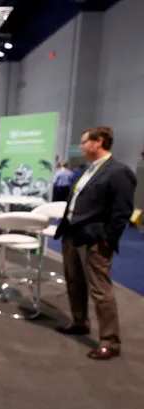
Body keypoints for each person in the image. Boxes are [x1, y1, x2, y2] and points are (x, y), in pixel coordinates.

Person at [54, 126, 136, 361]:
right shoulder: (86, 170)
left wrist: (107, 239)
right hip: (72, 235)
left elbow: (122, 212)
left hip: (94, 240)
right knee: (74, 282)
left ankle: (110, 341)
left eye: (83, 142)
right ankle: (80, 322)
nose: (81, 147)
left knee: (101, 290)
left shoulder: (118, 172)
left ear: (98, 142)